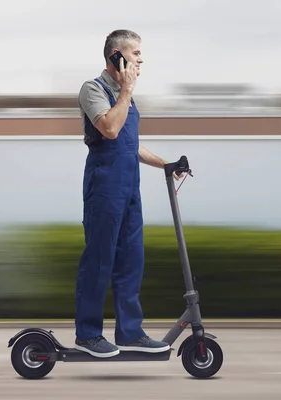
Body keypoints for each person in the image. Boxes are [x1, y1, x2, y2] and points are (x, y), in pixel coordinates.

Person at [74, 29, 183, 358]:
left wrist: (165, 164)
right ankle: (89, 335)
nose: (140, 59)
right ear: (115, 57)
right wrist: (126, 90)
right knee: (99, 260)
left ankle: (130, 332)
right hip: (104, 185)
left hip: (129, 187)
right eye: (135, 53)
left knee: (131, 259)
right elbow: (110, 129)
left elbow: (130, 145)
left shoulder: (126, 96)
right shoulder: (93, 89)